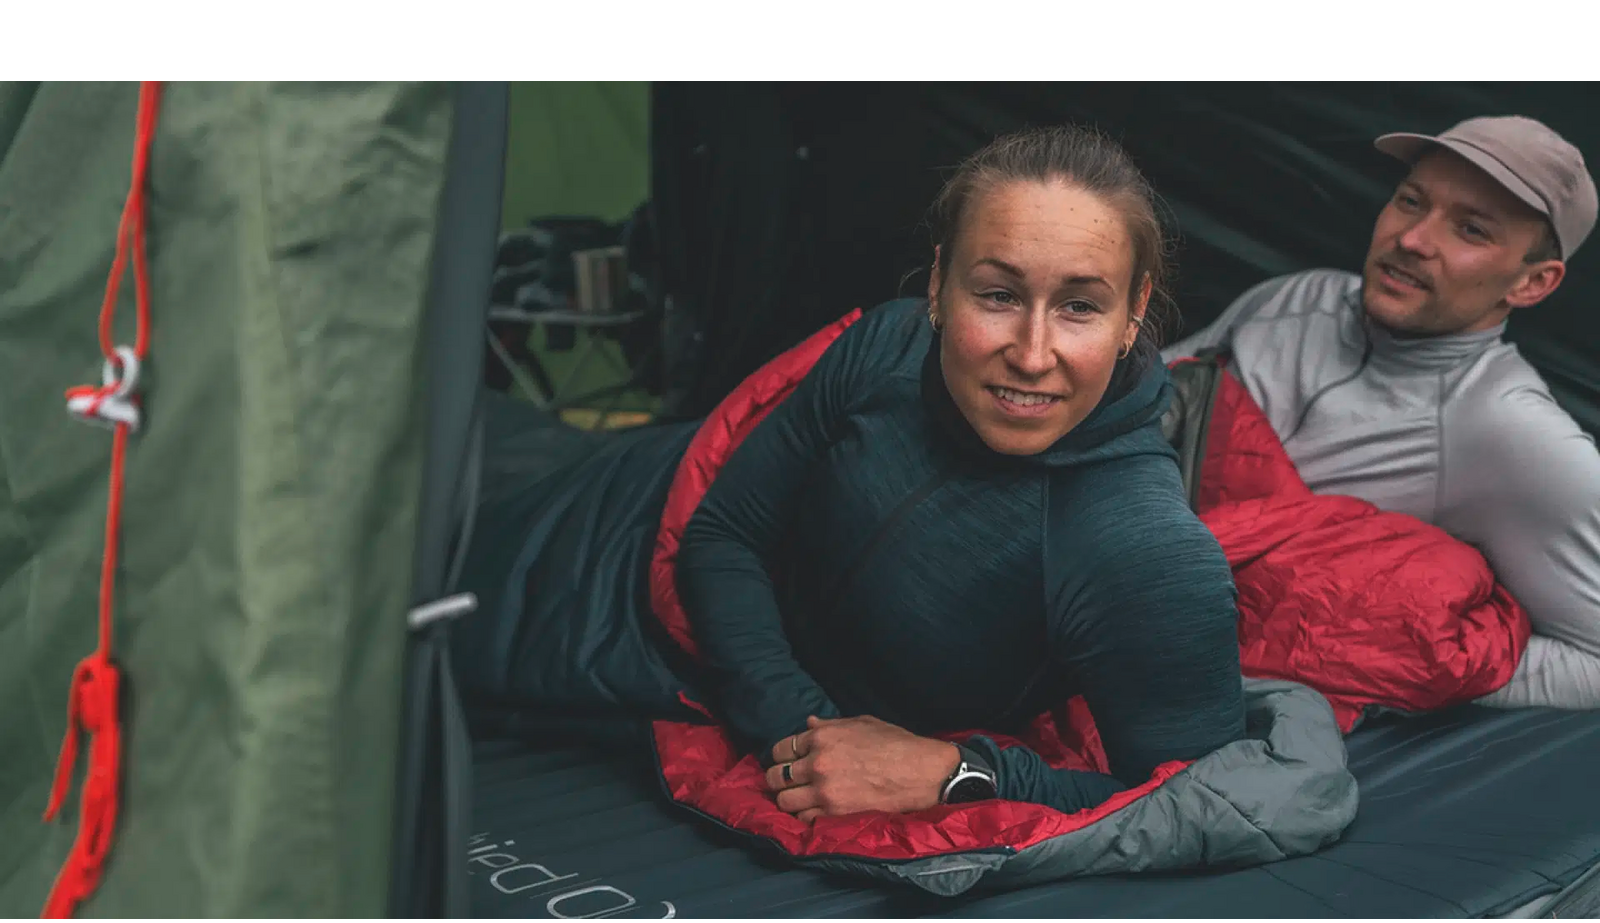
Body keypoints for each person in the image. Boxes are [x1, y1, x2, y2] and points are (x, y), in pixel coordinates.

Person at [457, 125, 1247, 825]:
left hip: (670, 670)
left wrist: (959, 773)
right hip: (620, 515)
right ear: (938, 286)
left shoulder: (1140, 548)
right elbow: (723, 531)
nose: (1033, 354)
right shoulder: (889, 347)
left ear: (1134, 312)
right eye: (998, 295)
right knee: (433, 535)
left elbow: (1199, 799)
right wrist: (801, 734)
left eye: (1079, 307)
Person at [1163, 115, 1600, 710]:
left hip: (1185, 669)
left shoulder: (1517, 436)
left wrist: (1390, 662)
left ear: (1532, 284)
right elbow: (1144, 396)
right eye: (1410, 201)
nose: (1413, 239)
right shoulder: (1300, 298)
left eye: (1471, 230)